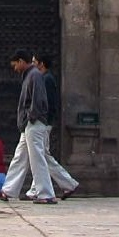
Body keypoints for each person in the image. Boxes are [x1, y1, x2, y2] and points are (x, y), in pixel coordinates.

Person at [0, 50, 56, 204]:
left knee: (37, 158)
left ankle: (46, 194)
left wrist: (31, 116)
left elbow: (38, 99)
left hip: (33, 123)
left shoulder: (34, 75)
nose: (14, 69)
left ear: (21, 61)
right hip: (28, 124)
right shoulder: (30, 75)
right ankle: (8, 190)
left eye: (15, 65)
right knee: (20, 157)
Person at [26, 53, 79, 199]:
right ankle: (62, 185)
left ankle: (63, 185)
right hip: (45, 122)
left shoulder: (46, 79)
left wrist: (43, 120)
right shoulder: (45, 78)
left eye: (34, 61)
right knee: (42, 154)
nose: (32, 64)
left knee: (42, 155)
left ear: (41, 64)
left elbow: (47, 103)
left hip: (43, 123)